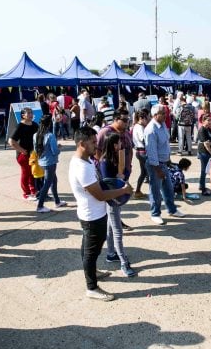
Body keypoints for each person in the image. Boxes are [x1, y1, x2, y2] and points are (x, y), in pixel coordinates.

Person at [68, 127, 133, 301]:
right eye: (93, 142)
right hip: (91, 216)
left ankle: (93, 272)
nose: (96, 145)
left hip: (92, 213)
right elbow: (100, 195)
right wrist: (123, 190)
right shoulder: (82, 167)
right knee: (91, 251)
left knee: (90, 247)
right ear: (82, 144)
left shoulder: (84, 161)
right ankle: (92, 287)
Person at [99, 133, 136, 277]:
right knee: (118, 231)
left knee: (110, 226)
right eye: (119, 143)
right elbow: (108, 183)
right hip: (112, 198)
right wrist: (119, 178)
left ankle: (110, 253)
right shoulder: (105, 161)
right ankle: (123, 262)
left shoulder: (114, 157)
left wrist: (123, 175)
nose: (121, 145)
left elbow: (124, 173)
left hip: (117, 197)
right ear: (114, 145)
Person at [144, 104, 185, 225]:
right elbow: (151, 152)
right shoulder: (151, 130)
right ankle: (155, 213)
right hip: (155, 165)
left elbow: (165, 145)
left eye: (165, 113)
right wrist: (157, 169)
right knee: (155, 191)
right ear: (155, 115)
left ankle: (172, 209)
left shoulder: (163, 125)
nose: (165, 115)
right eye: (163, 113)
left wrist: (168, 161)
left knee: (168, 188)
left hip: (164, 163)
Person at [34, 115, 65, 213]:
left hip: (42, 161)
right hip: (50, 162)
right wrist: (59, 147)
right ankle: (40, 206)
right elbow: (55, 151)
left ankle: (57, 201)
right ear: (49, 124)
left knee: (53, 180)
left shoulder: (36, 135)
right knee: (47, 183)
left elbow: (36, 150)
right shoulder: (50, 135)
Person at [8, 107, 39, 201]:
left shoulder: (34, 124)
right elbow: (11, 141)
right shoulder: (20, 126)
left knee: (33, 172)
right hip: (23, 155)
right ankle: (26, 193)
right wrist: (21, 150)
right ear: (23, 115)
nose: (31, 114)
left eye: (31, 112)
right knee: (26, 173)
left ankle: (34, 190)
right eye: (28, 113)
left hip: (33, 153)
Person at [131, 109, 149, 199]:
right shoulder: (139, 127)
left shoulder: (136, 126)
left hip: (139, 151)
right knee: (148, 172)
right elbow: (144, 140)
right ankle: (138, 191)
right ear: (141, 118)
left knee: (144, 173)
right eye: (146, 118)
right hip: (142, 152)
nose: (147, 120)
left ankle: (138, 191)